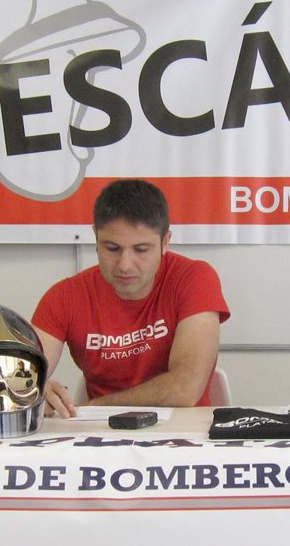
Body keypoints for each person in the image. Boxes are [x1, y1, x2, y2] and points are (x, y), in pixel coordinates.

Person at [33, 179, 230, 417]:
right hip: (100, 433)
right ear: (95, 238)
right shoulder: (65, 296)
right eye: (112, 248)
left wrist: (95, 407)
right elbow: (20, 379)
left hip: (182, 430)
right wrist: (34, 392)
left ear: (165, 242)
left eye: (141, 250)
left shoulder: (194, 278)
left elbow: (184, 389)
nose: (125, 265)